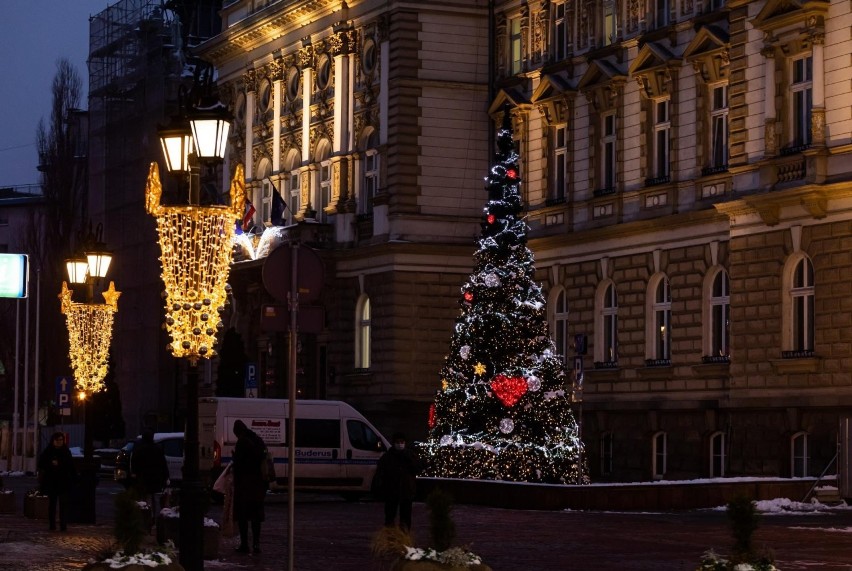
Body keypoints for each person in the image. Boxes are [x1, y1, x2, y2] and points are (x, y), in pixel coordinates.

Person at [232, 419, 267, 554]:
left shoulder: (242, 442)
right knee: (256, 517)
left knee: (243, 517)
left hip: (245, 486)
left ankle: (245, 544)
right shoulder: (258, 440)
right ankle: (256, 544)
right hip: (258, 486)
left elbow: (239, 465)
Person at [375, 431, 421, 531]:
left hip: (406, 491)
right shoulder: (387, 457)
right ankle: (390, 537)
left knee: (405, 518)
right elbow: (380, 472)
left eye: (402, 442)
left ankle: (404, 537)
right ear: (394, 443)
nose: (400, 444)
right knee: (390, 517)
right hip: (392, 491)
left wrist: (410, 461)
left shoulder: (410, 455)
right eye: (398, 442)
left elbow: (417, 468)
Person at [37, 432, 77, 532]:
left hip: (63, 481)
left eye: (61, 440)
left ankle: (63, 525)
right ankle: (52, 525)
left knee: (63, 504)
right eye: (57, 440)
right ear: (53, 441)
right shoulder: (49, 451)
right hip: (52, 482)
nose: (59, 442)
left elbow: (70, 465)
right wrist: (51, 464)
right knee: (52, 504)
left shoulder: (66, 451)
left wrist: (61, 465)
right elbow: (41, 463)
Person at [130, 428, 169, 517]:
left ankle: (148, 517)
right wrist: (165, 476)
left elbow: (135, 463)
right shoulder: (157, 449)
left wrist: (135, 475)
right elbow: (163, 464)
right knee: (156, 498)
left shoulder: (139, 450)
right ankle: (156, 517)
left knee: (146, 499)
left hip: (144, 477)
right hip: (156, 478)